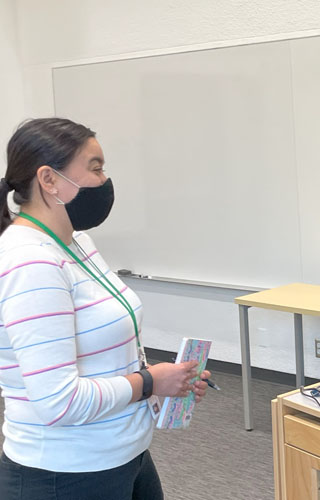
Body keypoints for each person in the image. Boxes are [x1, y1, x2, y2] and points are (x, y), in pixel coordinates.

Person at [0, 118, 211, 499]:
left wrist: (165, 380)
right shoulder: (30, 262)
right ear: (48, 179)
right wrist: (150, 382)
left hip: (124, 453)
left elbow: (102, 351)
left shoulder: (77, 242)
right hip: (65, 473)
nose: (104, 180)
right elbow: (58, 403)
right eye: (95, 168)